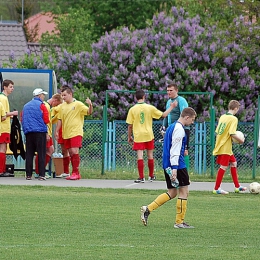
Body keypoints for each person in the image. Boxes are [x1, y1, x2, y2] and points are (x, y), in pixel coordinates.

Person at [140, 107, 197, 228]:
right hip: (177, 164)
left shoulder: (171, 126)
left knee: (172, 192)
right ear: (186, 117)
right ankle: (179, 222)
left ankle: (148, 209)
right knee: (184, 192)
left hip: (167, 164)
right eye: (192, 119)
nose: (192, 122)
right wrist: (175, 169)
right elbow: (175, 150)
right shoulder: (179, 129)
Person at [126, 89, 177, 183]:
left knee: (140, 156)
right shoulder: (150, 108)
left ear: (135, 98)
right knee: (150, 155)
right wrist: (172, 107)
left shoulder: (132, 109)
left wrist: (129, 137)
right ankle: (151, 175)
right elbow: (164, 115)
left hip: (138, 135)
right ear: (144, 97)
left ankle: (141, 177)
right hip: (149, 134)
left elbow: (130, 125)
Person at [54, 85, 93, 180]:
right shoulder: (62, 106)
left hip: (76, 132)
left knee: (74, 151)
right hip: (66, 133)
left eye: (64, 95)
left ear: (70, 94)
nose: (63, 97)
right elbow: (60, 119)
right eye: (62, 95)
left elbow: (89, 112)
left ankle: (76, 173)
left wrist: (90, 105)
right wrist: (57, 131)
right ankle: (72, 172)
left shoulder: (78, 104)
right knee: (70, 152)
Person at [212, 100, 247, 195]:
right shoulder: (234, 119)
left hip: (222, 143)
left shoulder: (223, 117)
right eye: (238, 109)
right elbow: (232, 133)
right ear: (235, 108)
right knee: (223, 166)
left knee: (234, 163)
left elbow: (218, 131)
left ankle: (237, 187)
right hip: (225, 146)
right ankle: (216, 188)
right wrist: (240, 140)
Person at [22, 88, 50, 180]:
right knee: (41, 153)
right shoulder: (42, 105)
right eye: (43, 95)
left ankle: (28, 175)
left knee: (29, 154)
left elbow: (22, 119)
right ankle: (42, 174)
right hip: (40, 132)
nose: (44, 97)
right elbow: (46, 119)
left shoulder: (25, 106)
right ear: (39, 95)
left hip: (29, 132)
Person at [162, 83, 190, 170]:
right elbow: (167, 115)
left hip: (182, 130)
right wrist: (163, 126)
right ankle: (174, 171)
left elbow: (184, 115)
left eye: (171, 90)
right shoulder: (168, 102)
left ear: (176, 91)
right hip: (171, 130)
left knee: (184, 152)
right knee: (172, 151)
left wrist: (179, 127)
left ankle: (186, 173)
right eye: (167, 91)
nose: (169, 92)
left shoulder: (181, 100)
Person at [34, 93, 63, 178]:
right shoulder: (46, 106)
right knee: (48, 150)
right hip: (46, 133)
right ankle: (39, 171)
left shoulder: (48, 106)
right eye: (57, 104)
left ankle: (39, 171)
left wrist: (57, 117)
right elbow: (45, 120)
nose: (55, 106)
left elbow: (49, 121)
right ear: (55, 100)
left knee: (48, 150)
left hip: (47, 132)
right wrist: (46, 133)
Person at [0, 79, 18, 177]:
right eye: (10, 87)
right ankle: (1, 170)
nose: (12, 89)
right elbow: (3, 115)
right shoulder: (3, 98)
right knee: (2, 148)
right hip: (3, 128)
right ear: (5, 87)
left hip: (4, 128)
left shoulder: (3, 98)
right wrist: (13, 113)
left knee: (3, 148)